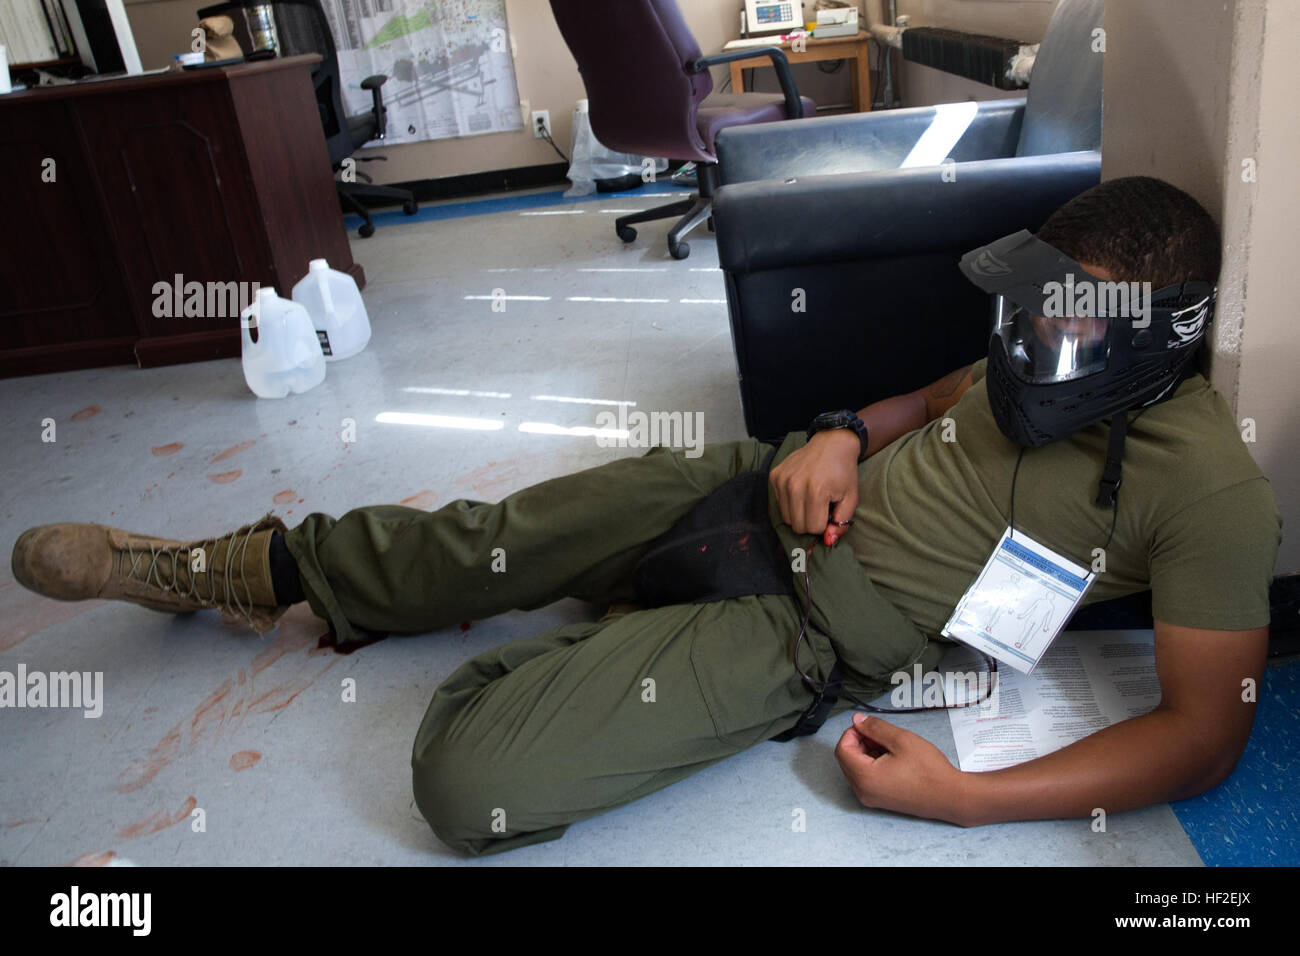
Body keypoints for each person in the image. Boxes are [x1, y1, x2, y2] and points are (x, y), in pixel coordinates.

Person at [11, 177, 1281, 856]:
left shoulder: (1207, 485)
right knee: (484, 533)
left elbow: (1200, 737)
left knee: (470, 786)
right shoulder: (1019, 356)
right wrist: (839, 427)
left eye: (1066, 323)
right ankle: (226, 566)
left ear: (1154, 340)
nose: (1028, 339)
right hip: (761, 479)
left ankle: (601, 628)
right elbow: (930, 396)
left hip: (808, 628)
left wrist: (968, 801)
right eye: (1029, 307)